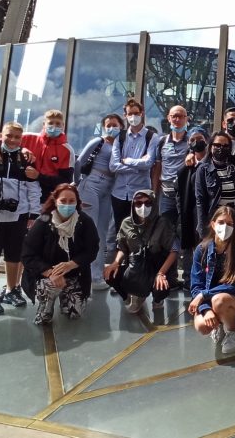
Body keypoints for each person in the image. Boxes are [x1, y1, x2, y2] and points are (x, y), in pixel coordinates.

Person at [0, 122, 42, 314]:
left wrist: (33, 214)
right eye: (9, 136)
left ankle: (11, 289)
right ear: (1, 135)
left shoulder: (25, 158)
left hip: (18, 215)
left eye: (17, 137)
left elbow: (33, 188)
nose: (13, 140)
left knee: (14, 255)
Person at [21, 183, 100, 325]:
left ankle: (67, 298)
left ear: (77, 203)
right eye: (63, 201)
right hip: (46, 276)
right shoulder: (43, 222)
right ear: (55, 201)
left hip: (74, 274)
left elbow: (92, 250)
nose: (67, 205)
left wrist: (72, 264)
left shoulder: (85, 222)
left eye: (71, 201)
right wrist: (50, 272)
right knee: (50, 289)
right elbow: (27, 254)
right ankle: (45, 307)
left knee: (74, 314)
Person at [104, 189, 180, 313]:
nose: (143, 207)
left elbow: (174, 250)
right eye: (138, 203)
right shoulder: (126, 223)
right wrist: (116, 263)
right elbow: (122, 247)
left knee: (162, 285)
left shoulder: (163, 223)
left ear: (154, 204)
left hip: (157, 266)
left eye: (148, 203)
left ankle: (157, 299)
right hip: (136, 266)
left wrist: (161, 273)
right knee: (110, 274)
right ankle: (130, 297)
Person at [189, 206, 235, 354]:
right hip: (207, 302)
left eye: (230, 224)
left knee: (219, 300)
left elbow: (234, 285)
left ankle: (231, 332)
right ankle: (217, 326)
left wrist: (203, 295)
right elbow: (196, 284)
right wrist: (205, 309)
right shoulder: (201, 250)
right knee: (202, 327)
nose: (225, 227)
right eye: (221, 222)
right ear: (213, 224)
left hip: (230, 300)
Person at [76, 113, 123, 290]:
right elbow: (79, 162)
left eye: (115, 124)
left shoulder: (120, 144)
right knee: (90, 228)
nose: (111, 127)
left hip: (109, 188)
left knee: (102, 232)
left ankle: (96, 275)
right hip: (92, 185)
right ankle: (82, 273)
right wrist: (77, 183)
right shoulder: (98, 142)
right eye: (108, 124)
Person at [109, 99, 157, 233]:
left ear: (142, 113)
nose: (133, 117)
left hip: (140, 194)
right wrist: (137, 166)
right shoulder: (120, 137)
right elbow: (113, 166)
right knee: (120, 232)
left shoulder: (151, 137)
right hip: (119, 193)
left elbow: (148, 163)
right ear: (125, 115)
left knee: (140, 231)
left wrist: (127, 161)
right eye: (130, 114)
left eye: (136, 113)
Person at [175, 127, 209, 291]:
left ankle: (205, 280)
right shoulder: (185, 167)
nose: (197, 142)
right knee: (188, 247)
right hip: (190, 212)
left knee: (205, 247)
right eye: (193, 139)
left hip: (206, 213)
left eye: (200, 138)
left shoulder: (211, 163)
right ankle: (189, 280)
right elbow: (178, 192)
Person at [194, 131, 235, 235]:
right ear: (211, 146)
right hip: (215, 220)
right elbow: (200, 199)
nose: (221, 148)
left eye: (225, 146)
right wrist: (202, 227)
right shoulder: (203, 169)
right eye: (217, 145)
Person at [20, 109, 75, 202]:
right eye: (50, 123)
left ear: (63, 126)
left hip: (47, 198)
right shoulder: (27, 137)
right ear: (44, 124)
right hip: (22, 192)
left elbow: (65, 181)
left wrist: (39, 176)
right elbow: (5, 141)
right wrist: (21, 149)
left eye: (58, 123)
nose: (54, 126)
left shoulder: (67, 150)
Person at [151, 105, 190, 220]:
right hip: (166, 195)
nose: (177, 120)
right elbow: (158, 168)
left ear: (186, 119)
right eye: (174, 116)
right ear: (168, 118)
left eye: (181, 116)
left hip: (185, 193)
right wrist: (154, 192)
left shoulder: (191, 141)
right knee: (165, 228)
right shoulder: (162, 141)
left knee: (183, 229)